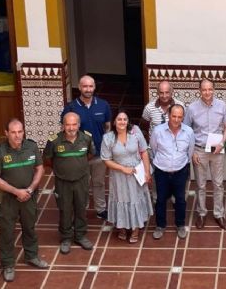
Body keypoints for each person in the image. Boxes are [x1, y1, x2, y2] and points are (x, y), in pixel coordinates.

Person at [0, 119, 48, 282]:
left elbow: (40, 168)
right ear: (6, 133)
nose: (17, 136)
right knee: (7, 233)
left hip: (28, 196)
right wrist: (16, 191)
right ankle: (8, 264)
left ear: (24, 132)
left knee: (29, 227)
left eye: (20, 132)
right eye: (13, 132)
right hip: (5, 198)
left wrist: (30, 189)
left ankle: (31, 256)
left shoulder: (31, 147)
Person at [43, 112, 96, 254]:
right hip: (62, 182)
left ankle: (80, 235)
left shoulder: (87, 138)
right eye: (68, 124)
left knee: (81, 208)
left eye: (74, 124)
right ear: (63, 125)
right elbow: (47, 159)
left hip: (81, 180)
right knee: (65, 210)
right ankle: (66, 237)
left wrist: (79, 166)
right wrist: (61, 169)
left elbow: (91, 154)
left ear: (78, 125)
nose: (71, 128)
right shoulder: (54, 141)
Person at [184, 79, 226, 230]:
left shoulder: (222, 105)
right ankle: (202, 213)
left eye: (210, 89)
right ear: (199, 90)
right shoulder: (191, 108)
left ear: (214, 89)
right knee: (201, 184)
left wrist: (222, 143)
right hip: (199, 150)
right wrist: (192, 152)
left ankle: (219, 214)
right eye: (204, 89)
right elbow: (186, 131)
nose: (207, 92)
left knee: (218, 183)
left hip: (217, 149)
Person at [61, 75, 111, 220]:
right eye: (85, 86)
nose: (88, 89)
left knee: (99, 182)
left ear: (94, 87)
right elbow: (65, 129)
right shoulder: (71, 107)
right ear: (79, 87)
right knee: (81, 184)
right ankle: (81, 209)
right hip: (79, 155)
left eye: (90, 86)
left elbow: (107, 126)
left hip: (99, 154)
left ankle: (101, 209)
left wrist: (106, 145)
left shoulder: (103, 105)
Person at [101, 110, 154, 243]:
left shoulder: (135, 132)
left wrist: (147, 172)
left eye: (125, 119)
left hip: (136, 174)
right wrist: (123, 168)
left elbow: (144, 152)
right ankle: (123, 227)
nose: (122, 122)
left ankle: (136, 228)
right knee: (121, 199)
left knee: (135, 199)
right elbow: (106, 160)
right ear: (114, 122)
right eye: (119, 119)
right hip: (119, 175)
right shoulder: (108, 138)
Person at [150, 104, 195, 240]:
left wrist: (181, 164)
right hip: (161, 171)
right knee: (160, 199)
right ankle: (160, 226)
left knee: (180, 199)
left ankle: (180, 225)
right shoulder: (158, 131)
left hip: (180, 171)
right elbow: (153, 150)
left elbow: (190, 151)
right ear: (168, 115)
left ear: (183, 117)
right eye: (174, 116)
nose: (176, 120)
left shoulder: (189, 132)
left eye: (180, 117)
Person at [141, 80, 185, 203]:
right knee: (156, 175)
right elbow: (144, 125)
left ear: (172, 92)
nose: (164, 96)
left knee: (175, 175)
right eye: (161, 93)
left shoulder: (180, 105)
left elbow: (184, 126)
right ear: (157, 93)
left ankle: (175, 198)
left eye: (167, 92)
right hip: (155, 149)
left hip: (175, 149)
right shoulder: (149, 108)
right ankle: (157, 198)